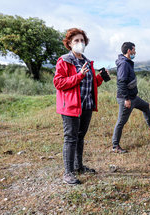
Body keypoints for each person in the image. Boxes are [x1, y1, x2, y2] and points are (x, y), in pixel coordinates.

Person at [53, 28, 111, 185]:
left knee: (80, 137)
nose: (80, 43)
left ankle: (79, 167)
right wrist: (79, 76)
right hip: (70, 107)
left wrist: (100, 78)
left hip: (86, 105)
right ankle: (68, 173)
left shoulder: (87, 62)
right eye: (76, 41)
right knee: (70, 138)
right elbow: (58, 83)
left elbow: (90, 84)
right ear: (69, 44)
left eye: (82, 40)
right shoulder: (64, 61)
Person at [111, 42, 150, 153]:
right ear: (129, 51)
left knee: (146, 106)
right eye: (134, 50)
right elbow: (121, 82)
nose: (135, 52)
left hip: (133, 97)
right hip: (126, 99)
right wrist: (126, 99)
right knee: (121, 122)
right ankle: (115, 146)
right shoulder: (124, 64)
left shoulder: (127, 62)